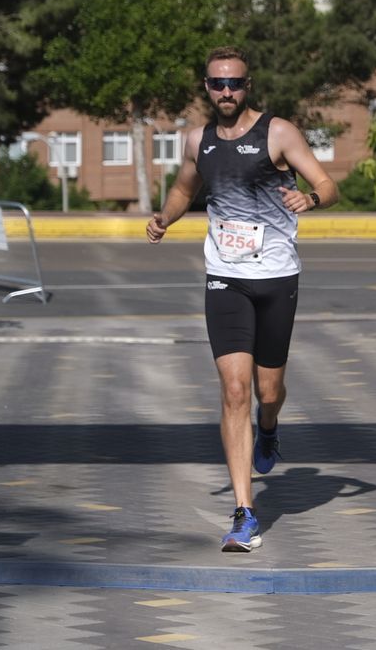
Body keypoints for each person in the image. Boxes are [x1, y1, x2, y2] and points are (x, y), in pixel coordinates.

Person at [147, 47, 336, 552]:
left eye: (234, 83)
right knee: (234, 390)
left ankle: (268, 427)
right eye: (217, 83)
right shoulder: (198, 140)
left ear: (248, 86)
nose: (226, 91)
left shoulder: (279, 132)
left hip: (276, 275)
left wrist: (311, 198)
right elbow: (184, 189)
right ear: (207, 87)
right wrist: (165, 218)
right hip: (225, 276)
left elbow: (327, 183)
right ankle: (244, 513)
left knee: (267, 391)